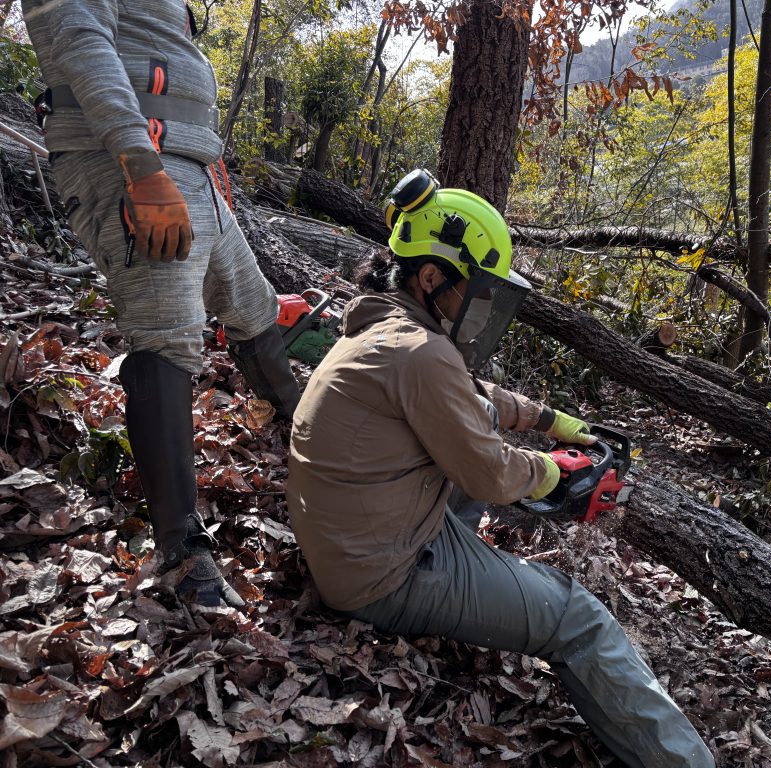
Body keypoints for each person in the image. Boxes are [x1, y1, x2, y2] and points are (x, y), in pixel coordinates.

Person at [287, 169, 715, 767]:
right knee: (578, 618)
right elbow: (490, 473)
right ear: (432, 277)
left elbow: (470, 396)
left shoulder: (383, 332)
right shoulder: (421, 353)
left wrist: (552, 422)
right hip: (383, 570)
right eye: (478, 288)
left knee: (479, 432)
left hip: (354, 540)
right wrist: (557, 474)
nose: (483, 305)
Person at [21, 0, 301, 607]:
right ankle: (184, 557)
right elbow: (79, 40)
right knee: (168, 336)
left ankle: (307, 434)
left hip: (188, 167)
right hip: (136, 165)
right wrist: (140, 166)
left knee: (254, 307)